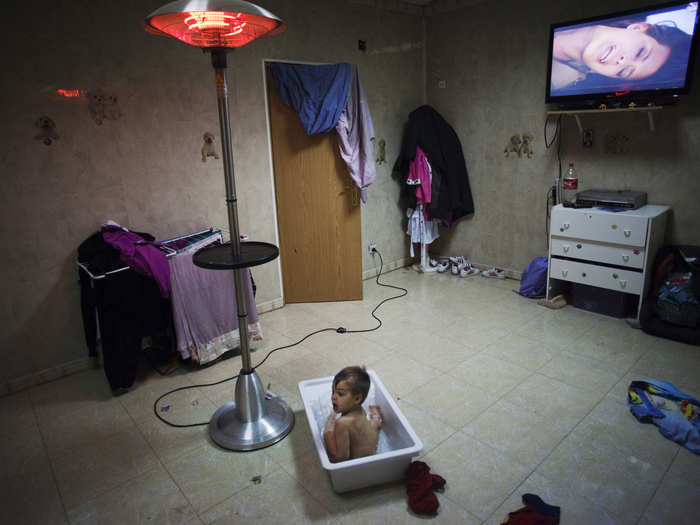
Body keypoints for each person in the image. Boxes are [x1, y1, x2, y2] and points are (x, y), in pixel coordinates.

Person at [551, 15, 694, 95]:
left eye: (624, 71)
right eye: (640, 52)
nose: (623, 62)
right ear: (639, 28)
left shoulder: (558, 86)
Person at [323, 366, 383, 462]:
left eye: (340, 393)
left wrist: (327, 432)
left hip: (360, 462)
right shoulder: (360, 409)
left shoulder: (342, 423)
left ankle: (376, 419)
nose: (333, 397)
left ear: (357, 399)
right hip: (372, 444)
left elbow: (340, 458)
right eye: (333, 391)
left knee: (329, 431)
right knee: (373, 425)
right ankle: (376, 416)